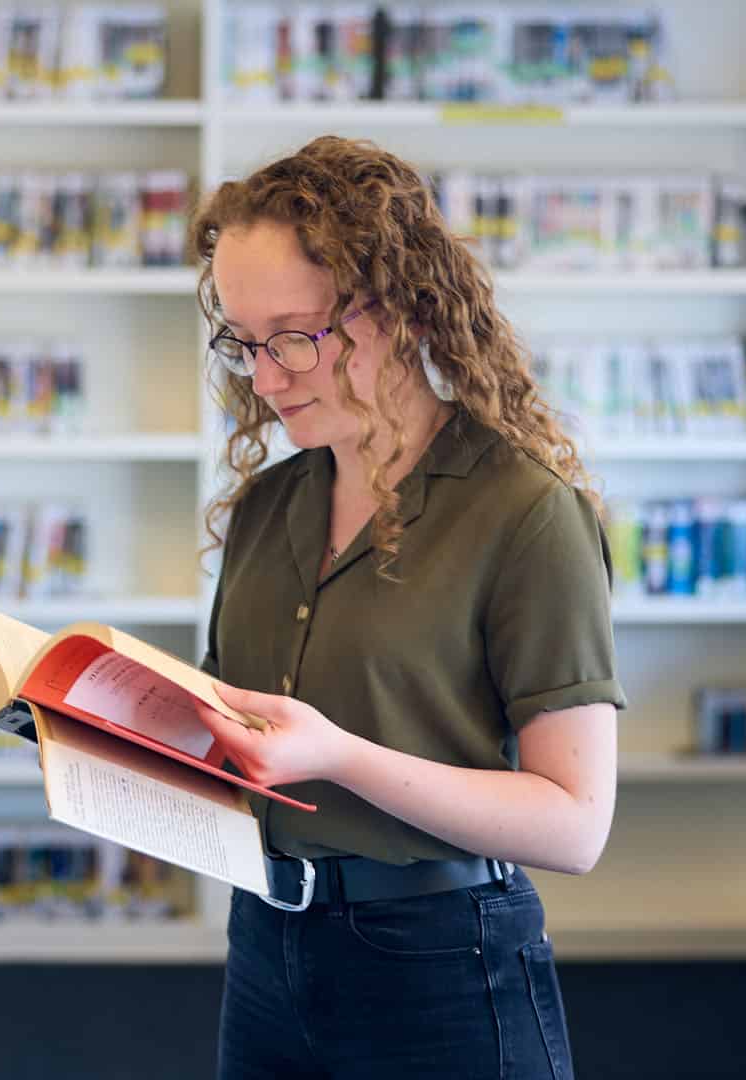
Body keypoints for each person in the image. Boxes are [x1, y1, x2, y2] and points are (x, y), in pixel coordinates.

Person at [189, 136, 625, 1080]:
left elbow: (574, 824)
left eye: (295, 338)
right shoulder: (270, 508)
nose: (263, 379)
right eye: (244, 341)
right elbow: (233, 733)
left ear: (393, 312)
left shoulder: (526, 513)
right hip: (267, 942)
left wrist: (339, 755)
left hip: (439, 959)